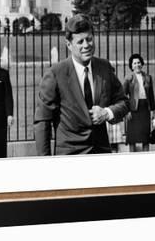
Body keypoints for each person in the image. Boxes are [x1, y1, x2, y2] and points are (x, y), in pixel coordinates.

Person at [34, 14, 129, 155]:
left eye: (89, 39)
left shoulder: (104, 67)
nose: (86, 45)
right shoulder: (55, 74)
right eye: (80, 42)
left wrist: (107, 113)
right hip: (70, 157)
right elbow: (43, 122)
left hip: (101, 154)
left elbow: (124, 102)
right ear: (69, 45)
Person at [123, 53, 155, 152]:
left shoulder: (148, 78)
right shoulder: (128, 78)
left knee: (145, 138)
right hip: (133, 110)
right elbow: (123, 96)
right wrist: (127, 111)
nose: (137, 65)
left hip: (145, 110)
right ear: (131, 66)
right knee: (132, 139)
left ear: (142, 64)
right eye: (134, 63)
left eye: (139, 63)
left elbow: (151, 96)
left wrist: (153, 112)